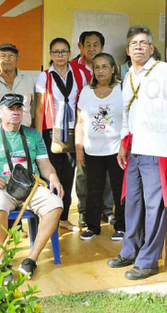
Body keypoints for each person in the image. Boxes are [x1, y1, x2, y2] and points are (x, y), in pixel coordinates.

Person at [106, 25, 167, 280]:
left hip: (156, 149)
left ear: (152, 48)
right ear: (128, 50)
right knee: (132, 203)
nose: (139, 47)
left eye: (144, 43)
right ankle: (129, 251)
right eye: (134, 44)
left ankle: (148, 260)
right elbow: (125, 114)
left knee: (154, 205)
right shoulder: (126, 75)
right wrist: (123, 143)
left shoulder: (162, 69)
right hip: (134, 149)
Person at [0, 93, 64, 279]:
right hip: (2, 188)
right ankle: (2, 261)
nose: (15, 112)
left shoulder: (33, 135)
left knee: (55, 204)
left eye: (19, 108)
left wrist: (54, 177)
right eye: (10, 108)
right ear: (0, 112)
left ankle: (31, 260)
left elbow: (44, 164)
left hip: (32, 188)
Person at [35, 38, 90, 231]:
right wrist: (37, 135)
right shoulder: (45, 76)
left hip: (73, 129)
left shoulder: (81, 74)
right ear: (50, 54)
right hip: (51, 130)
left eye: (64, 52)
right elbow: (40, 107)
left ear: (69, 53)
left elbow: (84, 103)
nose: (60, 56)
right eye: (56, 52)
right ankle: (49, 217)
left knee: (68, 174)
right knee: (50, 175)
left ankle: (64, 217)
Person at [75, 53, 126, 241]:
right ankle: (92, 226)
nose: (101, 71)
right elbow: (80, 121)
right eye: (97, 67)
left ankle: (121, 227)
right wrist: (79, 147)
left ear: (113, 69)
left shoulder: (122, 89)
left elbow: (128, 120)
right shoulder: (87, 91)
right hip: (92, 149)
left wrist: (124, 147)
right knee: (93, 189)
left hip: (116, 149)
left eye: (105, 66)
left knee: (119, 189)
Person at [71, 32, 115, 228]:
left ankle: (107, 211)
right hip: (84, 127)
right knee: (83, 173)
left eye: (96, 44)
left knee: (106, 175)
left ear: (102, 47)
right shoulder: (72, 68)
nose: (91, 48)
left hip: (108, 132)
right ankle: (84, 211)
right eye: (87, 44)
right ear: (81, 46)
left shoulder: (110, 69)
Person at [0, 43, 35, 127]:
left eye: (11, 55)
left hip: (25, 135)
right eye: (3, 56)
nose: (7, 59)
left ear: (18, 59)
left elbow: (34, 112)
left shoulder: (29, 81)